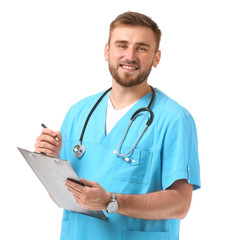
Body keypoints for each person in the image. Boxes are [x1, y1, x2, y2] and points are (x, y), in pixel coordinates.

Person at [35, 11, 201, 240]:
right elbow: (62, 196)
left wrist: (111, 201)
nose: (130, 56)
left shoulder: (174, 119)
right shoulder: (78, 113)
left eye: (141, 48)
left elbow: (180, 204)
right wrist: (48, 160)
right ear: (107, 51)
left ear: (156, 57)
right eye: (121, 45)